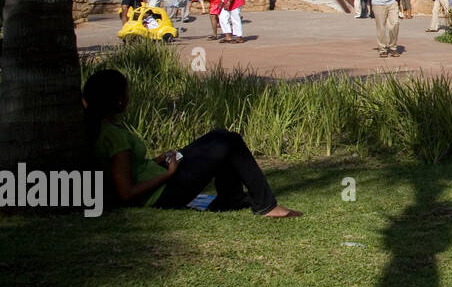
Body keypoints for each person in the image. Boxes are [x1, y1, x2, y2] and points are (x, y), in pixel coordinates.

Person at [84, 68, 300, 217]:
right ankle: (266, 206)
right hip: (162, 194)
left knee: (219, 136)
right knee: (229, 141)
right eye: (126, 92)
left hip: (161, 177)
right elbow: (126, 193)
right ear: (119, 100)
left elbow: (129, 167)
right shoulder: (113, 136)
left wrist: (157, 161)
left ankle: (231, 199)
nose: (128, 96)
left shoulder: (104, 128)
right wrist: (168, 173)